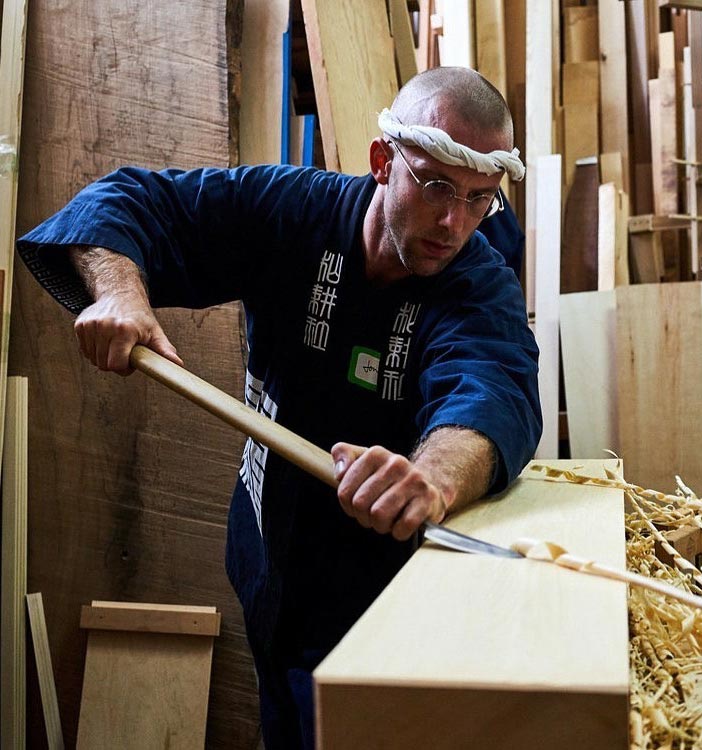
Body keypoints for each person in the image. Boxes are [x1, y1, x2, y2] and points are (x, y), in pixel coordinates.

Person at [18, 66, 541, 749]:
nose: (453, 221)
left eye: (479, 199)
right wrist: (119, 291)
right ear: (383, 162)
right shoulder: (293, 210)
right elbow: (131, 201)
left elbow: (491, 382)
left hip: (380, 584)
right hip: (269, 550)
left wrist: (435, 475)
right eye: (436, 184)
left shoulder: (477, 284)